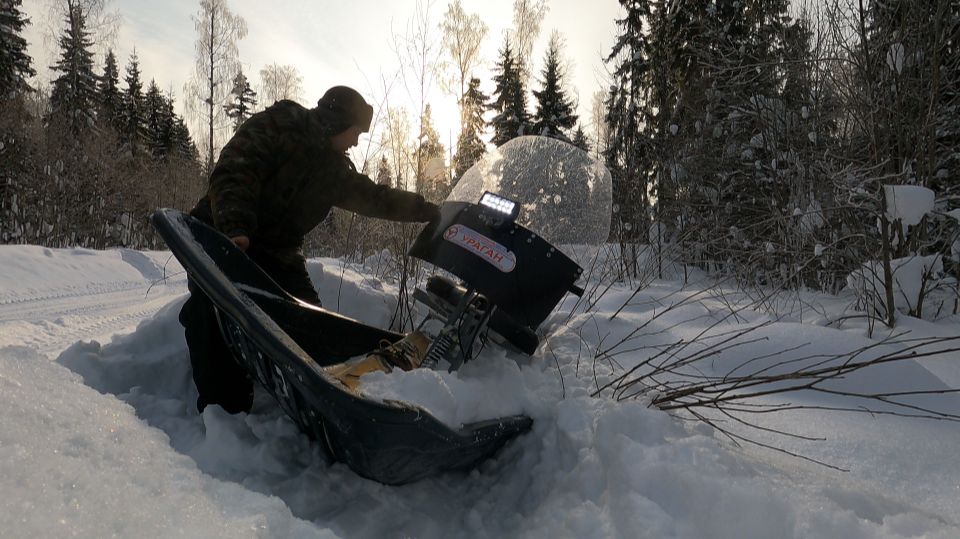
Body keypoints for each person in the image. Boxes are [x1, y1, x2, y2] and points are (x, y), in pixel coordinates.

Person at [179, 85, 440, 414]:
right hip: (222, 235)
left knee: (311, 327)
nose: (356, 141)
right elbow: (236, 170)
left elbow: (376, 198)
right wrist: (236, 226)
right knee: (214, 314)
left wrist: (429, 211)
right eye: (355, 132)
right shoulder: (279, 125)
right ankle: (223, 414)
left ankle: (323, 396)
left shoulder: (333, 171)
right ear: (337, 122)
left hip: (278, 252)